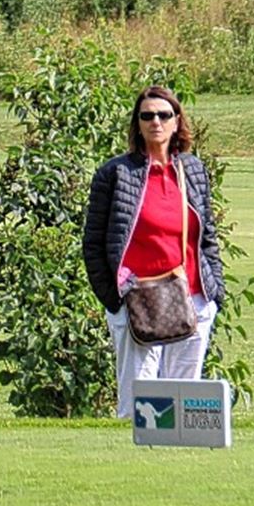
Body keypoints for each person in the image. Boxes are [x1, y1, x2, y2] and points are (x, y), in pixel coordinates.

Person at [82, 86, 226, 419]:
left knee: (182, 404)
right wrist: (113, 298)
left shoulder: (192, 170)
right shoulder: (116, 174)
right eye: (147, 116)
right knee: (139, 408)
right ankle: (131, 468)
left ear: (177, 122)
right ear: (137, 123)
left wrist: (215, 290)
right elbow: (93, 244)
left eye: (164, 115)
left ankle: (176, 468)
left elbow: (208, 236)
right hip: (138, 302)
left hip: (193, 299)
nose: (155, 122)